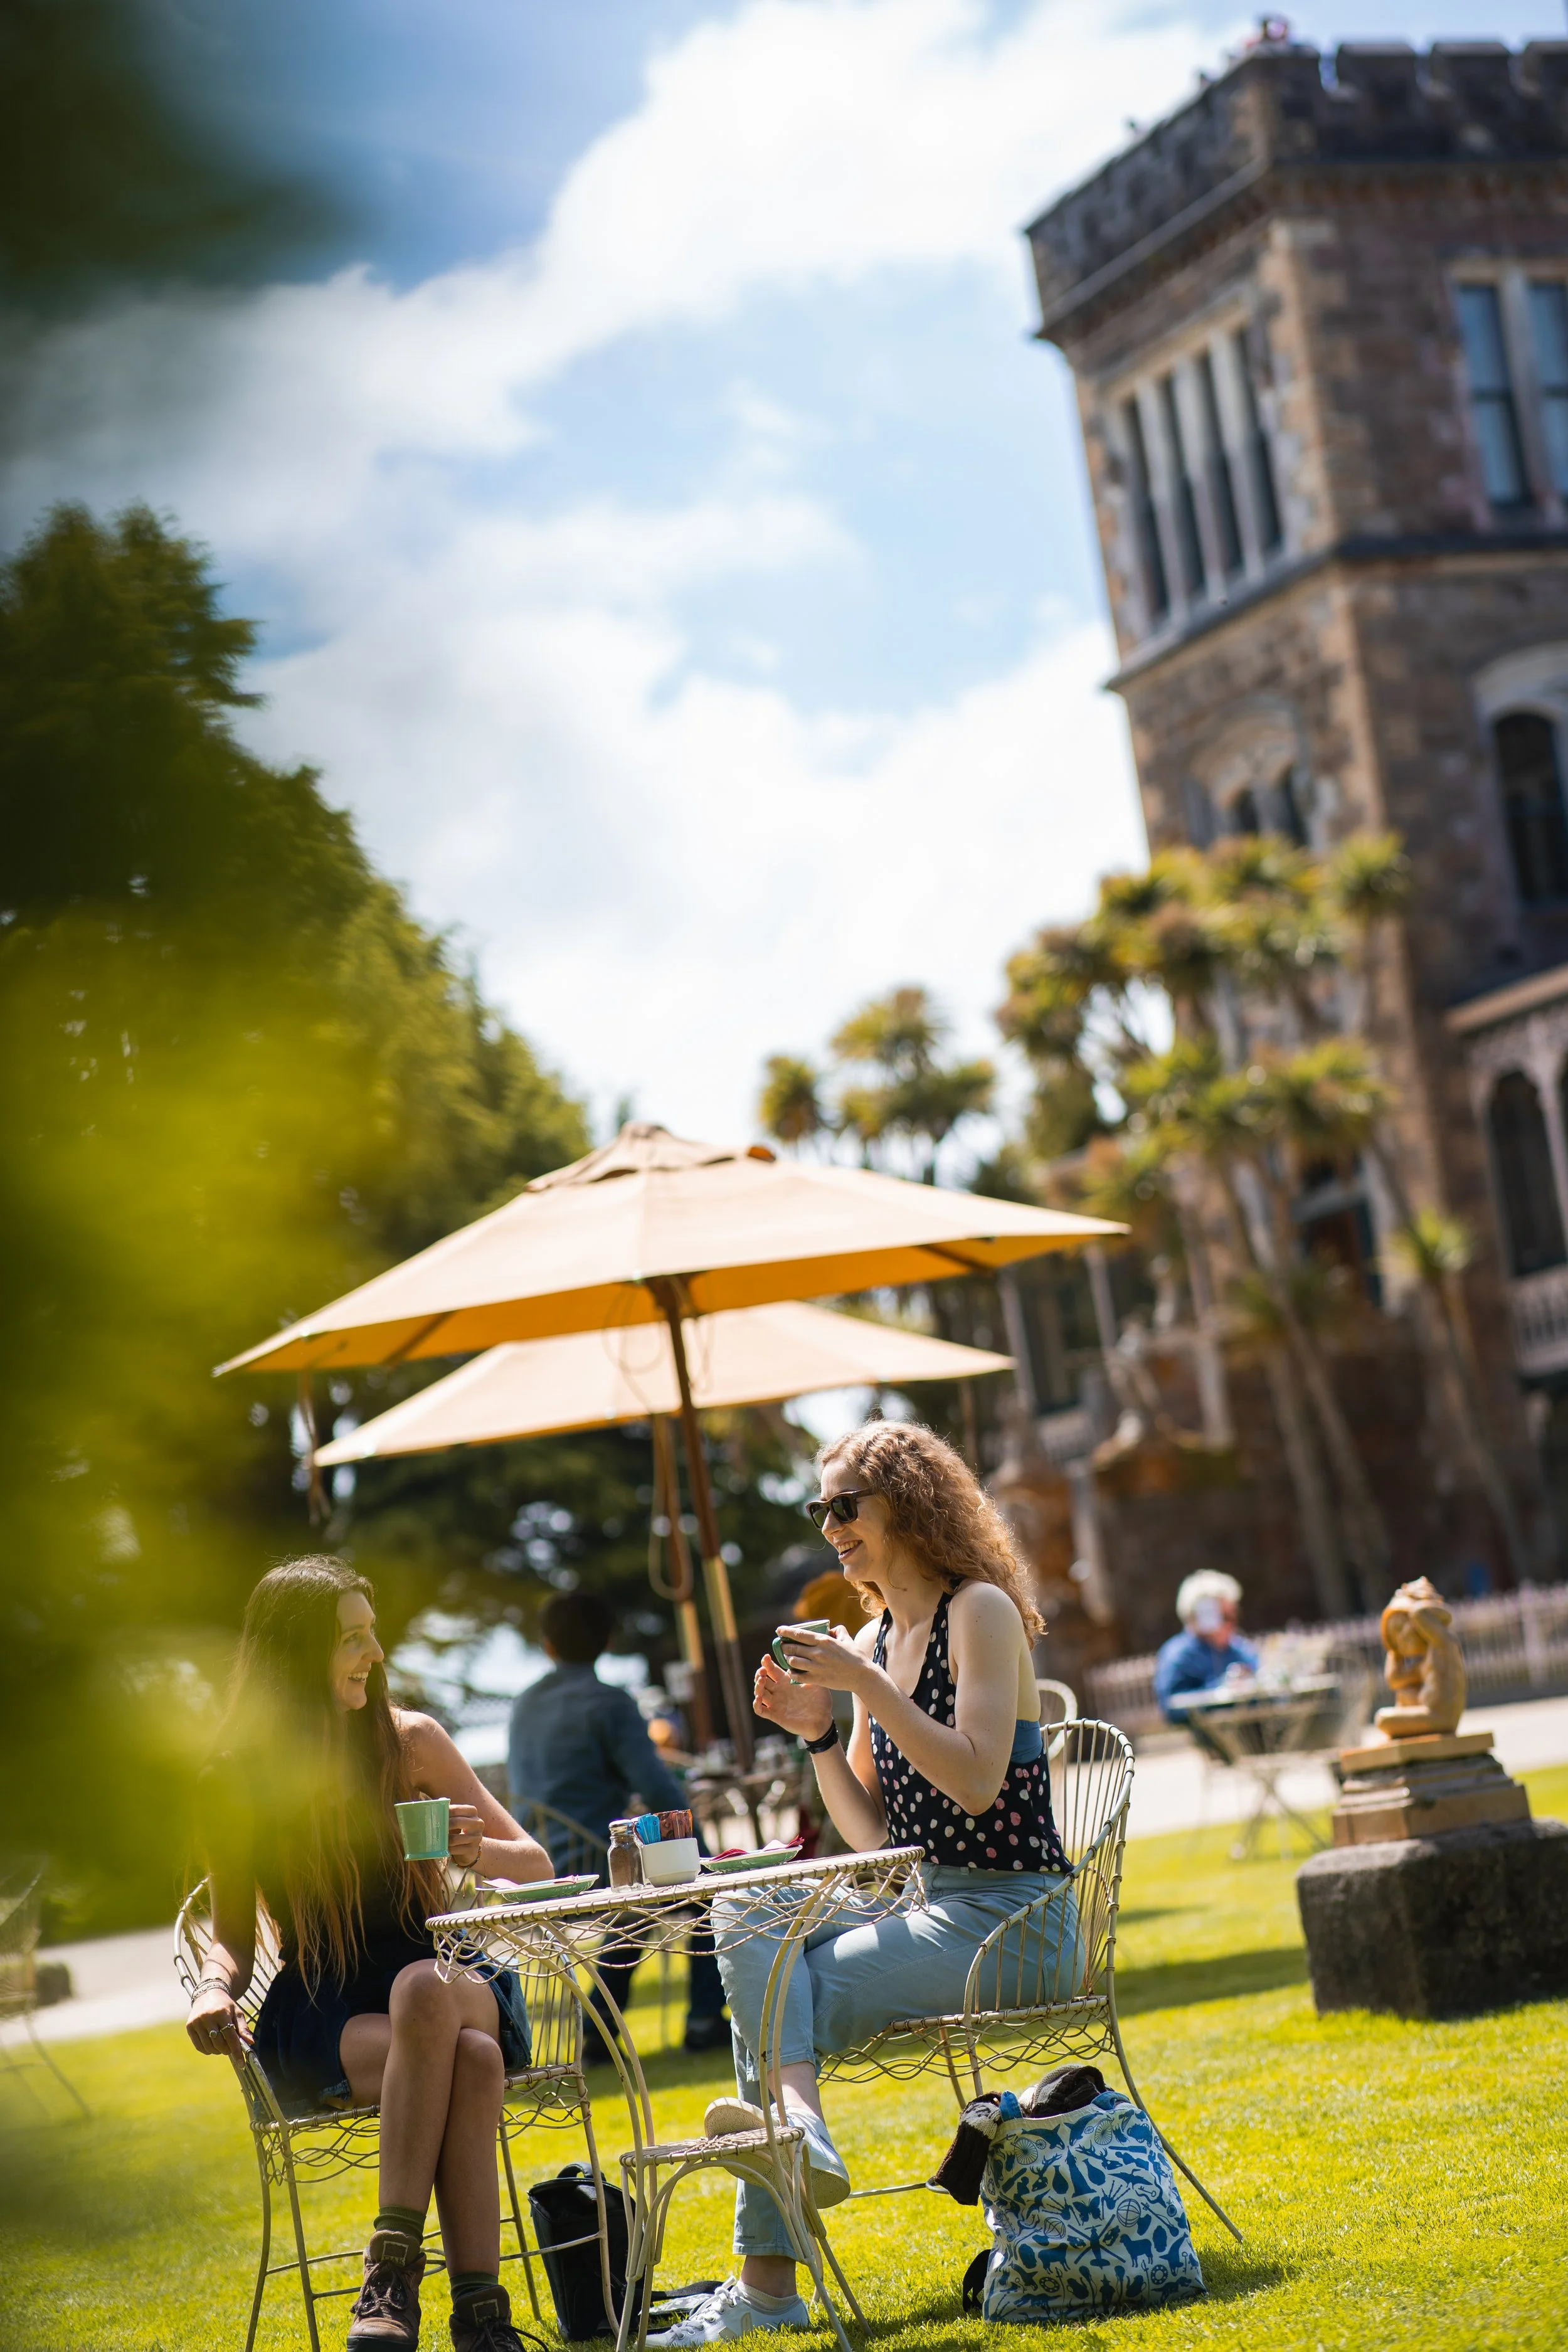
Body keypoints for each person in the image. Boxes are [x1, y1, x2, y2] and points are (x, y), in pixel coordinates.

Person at [650, 1421, 1079, 2347]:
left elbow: (975, 1778)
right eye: (822, 1509)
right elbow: (871, 1837)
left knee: (767, 2007)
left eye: (846, 1505)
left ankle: (767, 2282)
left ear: (909, 1502)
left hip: (1015, 1918)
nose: (831, 1525)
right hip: (927, 1901)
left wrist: (864, 1688)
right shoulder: (882, 1635)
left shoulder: (980, 1612)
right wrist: (818, 1731)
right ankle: (800, 2128)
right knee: (745, 1907)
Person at [187, 1557, 551, 2352]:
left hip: (451, 1975)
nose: (375, 1655)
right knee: (474, 2064)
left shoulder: (411, 1741)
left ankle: (389, 2275)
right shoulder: (238, 1779)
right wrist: (213, 1991)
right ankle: (481, 2317)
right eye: (353, 1639)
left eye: (373, 1636)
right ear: (296, 1656)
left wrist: (474, 1849)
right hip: (327, 2002)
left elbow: (535, 1863)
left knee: (425, 1991)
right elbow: (233, 1941)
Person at [507, 1590, 729, 2056]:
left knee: (636, 1903)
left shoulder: (524, 1704)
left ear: (547, 1645)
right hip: (596, 1864)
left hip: (536, 1866)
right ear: (608, 1641)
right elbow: (657, 1789)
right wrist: (703, 1852)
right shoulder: (610, 1702)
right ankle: (706, 2020)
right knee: (712, 1891)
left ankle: (601, 2027)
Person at [1152, 1571, 1259, 1724]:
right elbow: (1171, 1708)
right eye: (1225, 1617)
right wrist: (1220, 1690)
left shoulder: (1239, 1647)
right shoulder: (1178, 1655)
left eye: (1234, 1616)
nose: (1232, 1624)